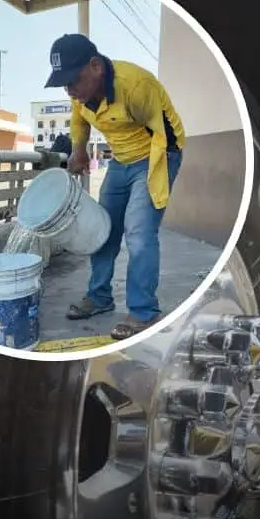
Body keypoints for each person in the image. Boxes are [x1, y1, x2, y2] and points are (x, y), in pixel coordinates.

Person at [44, 33, 187, 340]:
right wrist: (79, 151)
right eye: (64, 83)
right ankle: (99, 298)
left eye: (74, 81)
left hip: (157, 153)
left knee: (138, 233)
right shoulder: (80, 93)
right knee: (104, 230)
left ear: (95, 66)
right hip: (120, 161)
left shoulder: (136, 86)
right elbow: (79, 120)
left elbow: (168, 137)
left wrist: (158, 175)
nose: (70, 90)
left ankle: (144, 313)